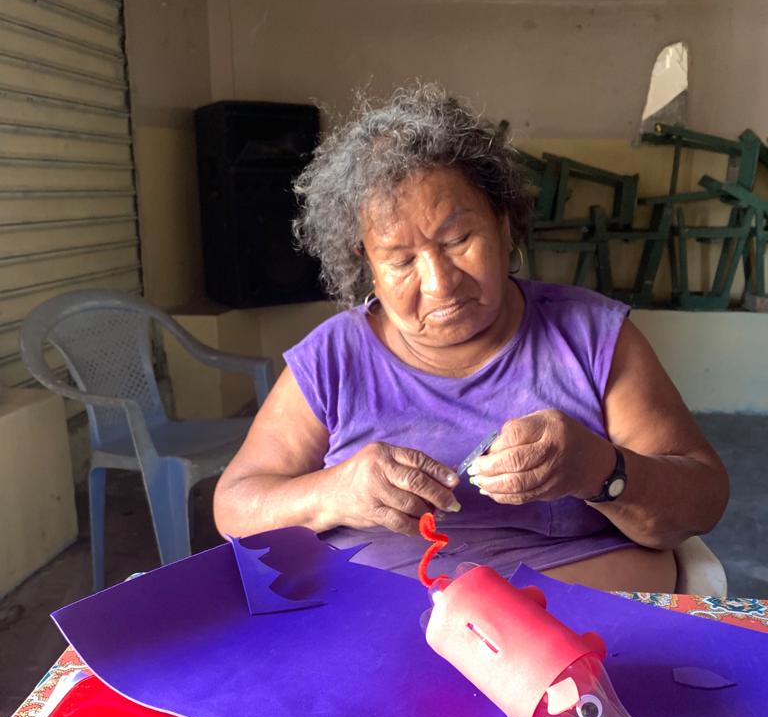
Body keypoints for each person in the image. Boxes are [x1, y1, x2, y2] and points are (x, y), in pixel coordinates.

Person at [214, 84, 729, 593]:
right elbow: (235, 506)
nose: (440, 284)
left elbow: (703, 499)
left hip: (570, 621)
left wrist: (596, 468)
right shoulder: (333, 358)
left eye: (459, 239)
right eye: (401, 260)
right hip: (384, 626)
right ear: (366, 263)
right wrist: (335, 492)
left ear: (503, 225)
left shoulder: (593, 337)